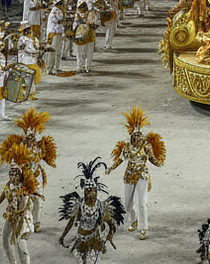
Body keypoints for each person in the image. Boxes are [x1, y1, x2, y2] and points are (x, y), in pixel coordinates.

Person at [107, 106, 166, 241]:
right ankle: (133, 220)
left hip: (142, 176)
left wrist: (159, 163)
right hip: (129, 175)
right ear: (132, 137)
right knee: (128, 202)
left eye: (140, 136)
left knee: (142, 202)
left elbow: (151, 159)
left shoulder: (146, 146)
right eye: (136, 137)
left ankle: (143, 228)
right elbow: (120, 159)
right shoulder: (127, 147)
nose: (138, 138)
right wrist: (111, 168)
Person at [0, 108, 57, 235]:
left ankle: (37, 222)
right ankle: (19, 220)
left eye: (32, 137)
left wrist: (49, 161)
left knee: (38, 200)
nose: (30, 139)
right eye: (28, 137)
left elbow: (47, 158)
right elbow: (13, 162)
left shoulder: (41, 146)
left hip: (35, 177)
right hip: (23, 177)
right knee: (21, 200)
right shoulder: (18, 147)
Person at [59, 157, 125, 263]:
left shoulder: (101, 206)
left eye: (93, 192)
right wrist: (63, 235)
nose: (91, 194)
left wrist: (109, 237)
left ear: (96, 192)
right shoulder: (79, 205)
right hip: (81, 238)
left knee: (93, 261)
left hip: (95, 239)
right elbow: (71, 221)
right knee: (82, 261)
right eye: (88, 191)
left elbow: (111, 224)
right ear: (84, 192)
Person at [0, 158, 37, 264]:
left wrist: (10, 213)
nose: (12, 174)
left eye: (15, 172)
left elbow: (23, 210)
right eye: (11, 172)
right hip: (11, 217)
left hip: (22, 219)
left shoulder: (23, 189)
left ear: (20, 174)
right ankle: (13, 262)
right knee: (5, 241)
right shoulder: (8, 185)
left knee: (20, 243)